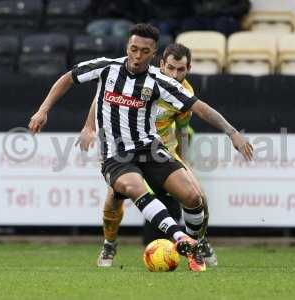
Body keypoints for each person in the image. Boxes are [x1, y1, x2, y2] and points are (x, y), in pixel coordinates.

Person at [29, 23, 253, 272]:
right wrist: (43, 110)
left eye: (144, 51)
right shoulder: (107, 67)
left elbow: (199, 107)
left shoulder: (160, 82)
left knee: (193, 197)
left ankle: (195, 246)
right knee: (130, 188)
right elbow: (67, 78)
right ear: (127, 46)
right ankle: (178, 239)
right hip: (116, 154)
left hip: (150, 148)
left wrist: (232, 132)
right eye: (133, 49)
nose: (137, 56)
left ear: (153, 53)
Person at [78, 43, 217, 268]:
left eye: (180, 70)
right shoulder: (142, 78)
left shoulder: (185, 94)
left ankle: (199, 243)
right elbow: (102, 96)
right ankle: (109, 244)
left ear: (188, 69)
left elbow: (182, 128)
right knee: (113, 199)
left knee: (198, 196)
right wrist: (88, 126)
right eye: (170, 68)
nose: (175, 74)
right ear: (161, 64)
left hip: (162, 149)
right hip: (127, 149)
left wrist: (184, 160)